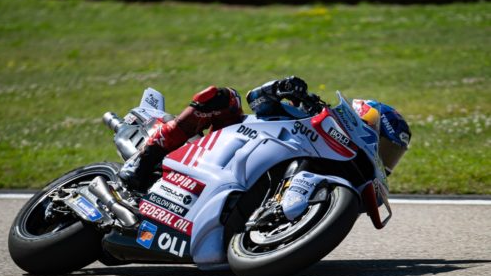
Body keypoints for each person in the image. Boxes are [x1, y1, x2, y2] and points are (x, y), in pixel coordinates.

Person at [118, 76, 410, 191]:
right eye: (385, 147)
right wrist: (281, 89)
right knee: (224, 98)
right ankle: (144, 159)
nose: (385, 159)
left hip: (238, 177)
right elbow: (256, 100)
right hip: (231, 139)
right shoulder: (312, 116)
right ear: (363, 121)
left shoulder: (353, 181)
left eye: (392, 155)